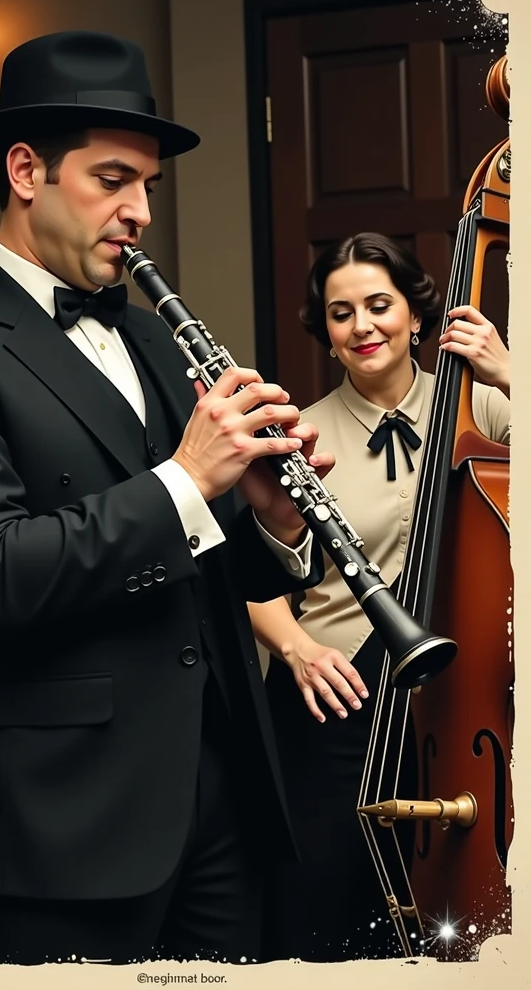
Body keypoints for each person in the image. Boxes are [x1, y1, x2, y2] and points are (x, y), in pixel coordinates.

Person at [0, 30, 335, 966]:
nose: (140, 213)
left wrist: (276, 523)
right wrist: (186, 476)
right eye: (114, 180)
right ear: (27, 168)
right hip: (69, 823)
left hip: (221, 798)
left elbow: (203, 547)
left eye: (149, 188)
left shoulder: (157, 333)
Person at [247, 232, 511, 962]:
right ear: (326, 335)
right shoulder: (297, 435)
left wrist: (510, 370)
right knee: (324, 900)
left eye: (378, 305)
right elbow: (251, 583)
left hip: (456, 698)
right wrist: (297, 651)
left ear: (416, 315)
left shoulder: (479, 407)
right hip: (333, 697)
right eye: (340, 313)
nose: (361, 326)